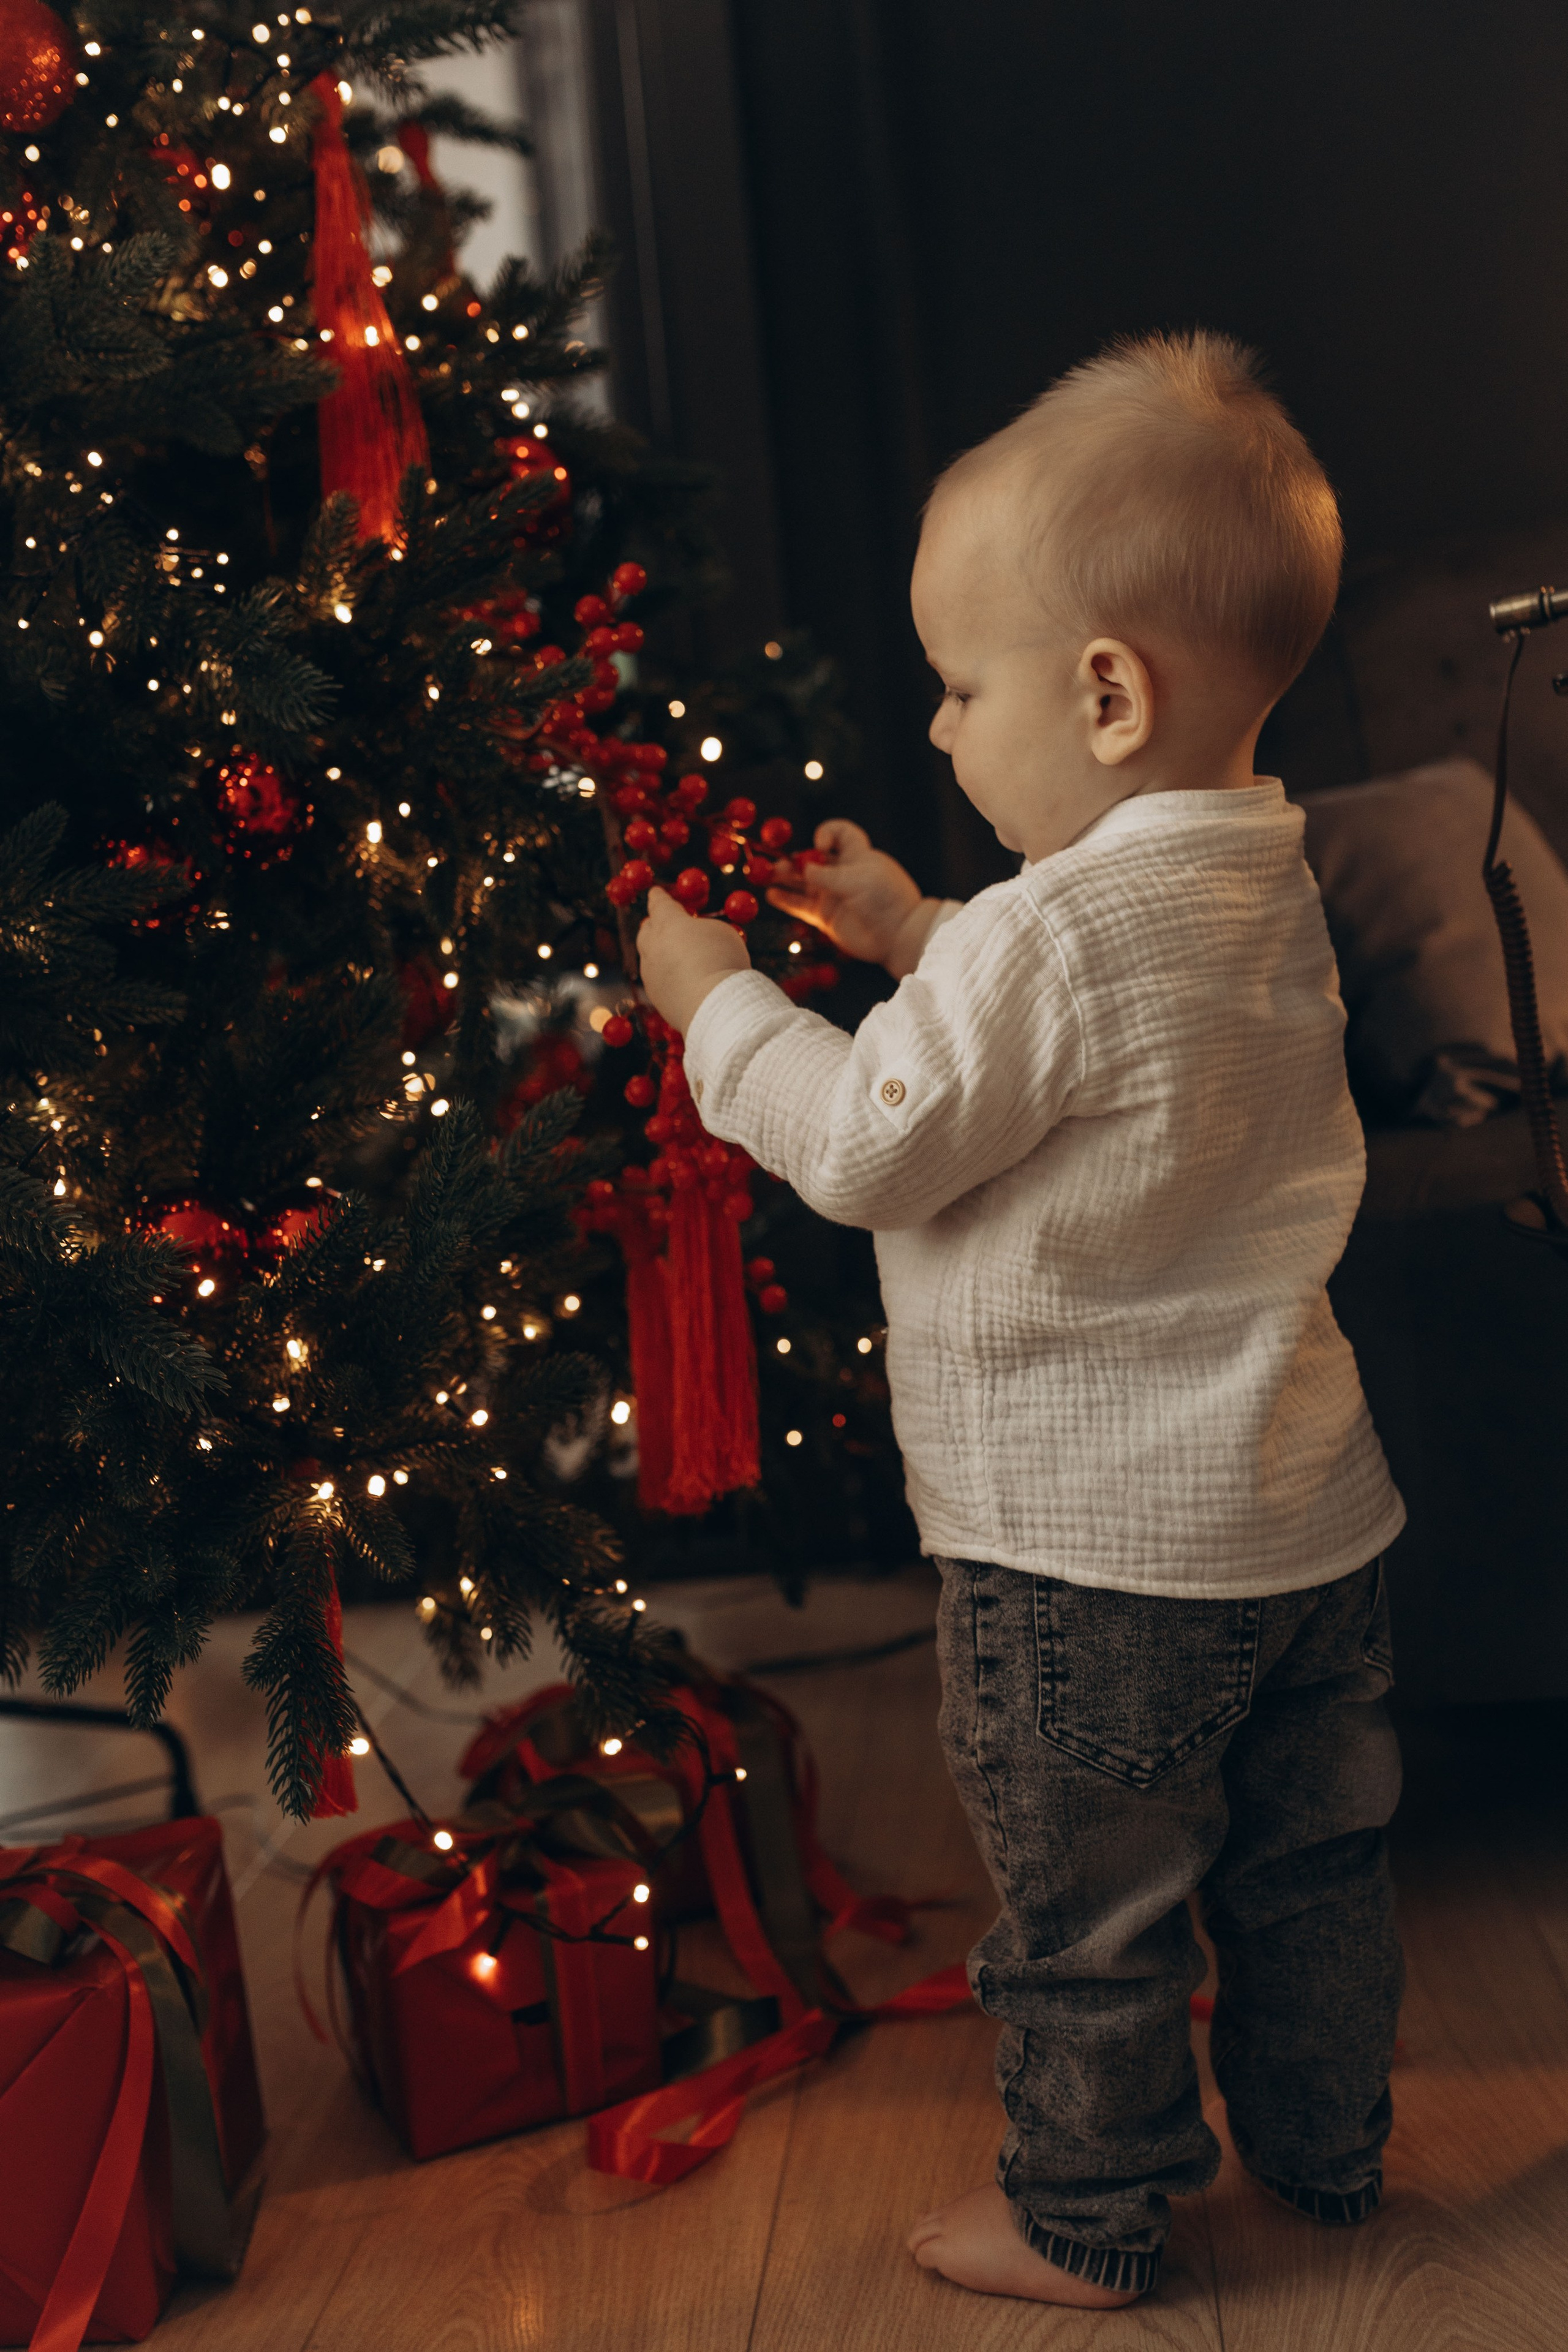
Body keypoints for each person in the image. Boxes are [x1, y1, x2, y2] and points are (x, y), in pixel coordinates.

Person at [635, 330, 1406, 2309]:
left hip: (1087, 1559)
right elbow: (1095, 1029)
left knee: (1092, 1906)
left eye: (964, 685)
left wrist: (724, 1009)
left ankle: (1087, 2211)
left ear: (1108, 693)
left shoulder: (1058, 930)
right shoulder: (1260, 872)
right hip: (1305, 1526)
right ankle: (1329, 2149)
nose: (944, 722)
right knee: (1310, 1870)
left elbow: (884, 1141)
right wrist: (911, 933)